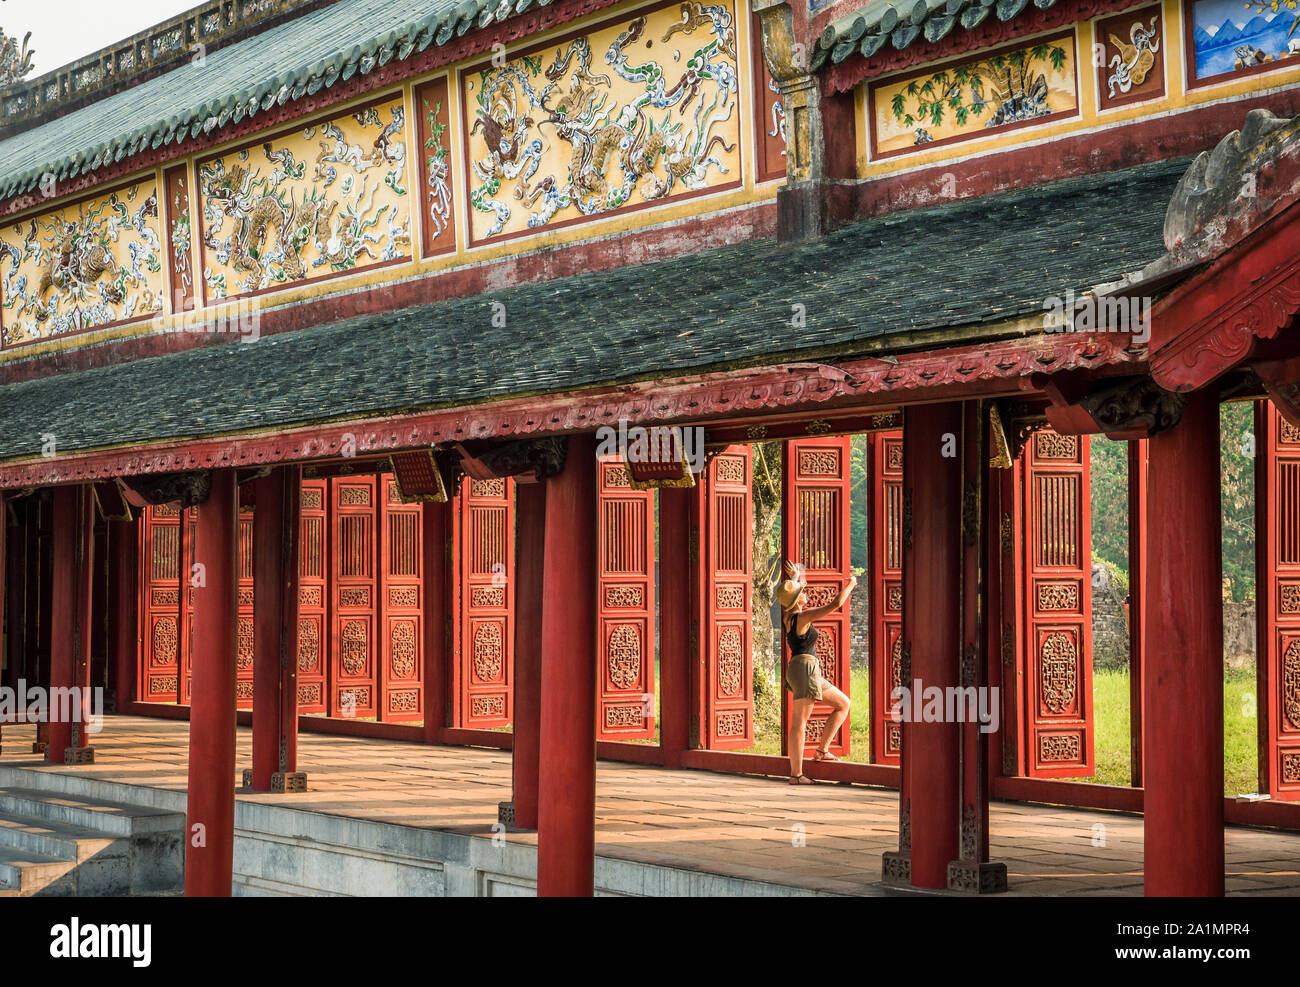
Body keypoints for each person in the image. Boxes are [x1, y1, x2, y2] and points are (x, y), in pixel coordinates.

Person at [775, 560, 856, 785]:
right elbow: (836, 604)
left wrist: (795, 579)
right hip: (806, 669)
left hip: (804, 669)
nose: (805, 592)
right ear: (797, 600)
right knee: (799, 723)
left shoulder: (787, 617)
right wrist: (851, 584)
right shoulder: (802, 617)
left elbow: (794, 594)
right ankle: (796, 775)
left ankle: (821, 750)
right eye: (802, 592)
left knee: (843, 703)